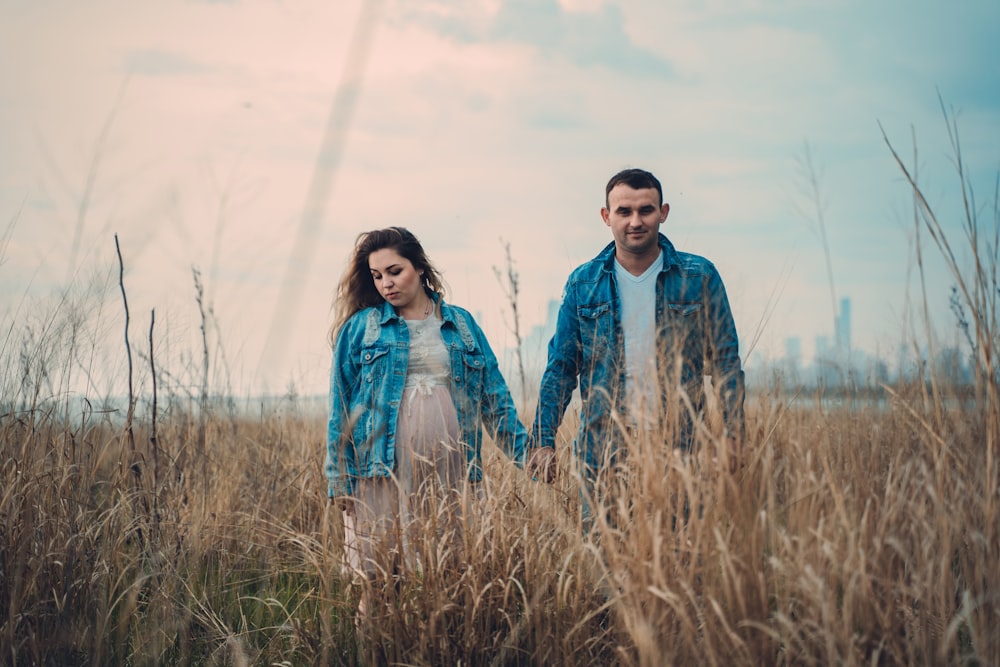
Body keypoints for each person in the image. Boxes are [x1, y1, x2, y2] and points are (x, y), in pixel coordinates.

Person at [526, 168, 745, 529]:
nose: (635, 221)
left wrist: (733, 435)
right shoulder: (583, 283)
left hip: (681, 450)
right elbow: (562, 367)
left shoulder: (699, 276)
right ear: (606, 216)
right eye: (624, 211)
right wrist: (542, 439)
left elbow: (725, 362)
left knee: (680, 558)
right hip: (602, 452)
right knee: (605, 565)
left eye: (646, 210)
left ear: (664, 212)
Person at [325, 226, 527, 612]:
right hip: (380, 470)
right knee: (380, 581)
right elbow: (340, 407)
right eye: (377, 275)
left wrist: (528, 455)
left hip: (448, 468)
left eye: (395, 271)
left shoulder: (462, 324)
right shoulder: (361, 328)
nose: (386, 283)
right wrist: (339, 478)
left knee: (450, 574)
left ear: (419, 267)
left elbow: (494, 397)